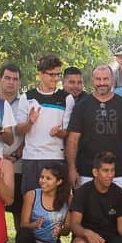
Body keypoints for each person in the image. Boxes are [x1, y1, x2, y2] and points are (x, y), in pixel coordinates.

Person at [67, 65, 122, 191]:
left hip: (119, 172)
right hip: (87, 172)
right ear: (92, 80)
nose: (102, 83)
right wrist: (71, 168)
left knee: (121, 204)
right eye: (98, 79)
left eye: (106, 79)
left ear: (112, 80)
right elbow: (73, 140)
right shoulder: (81, 106)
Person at [17, 55, 73, 202]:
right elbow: (19, 130)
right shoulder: (27, 97)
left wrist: (59, 132)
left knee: (56, 202)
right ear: (40, 74)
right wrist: (30, 122)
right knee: (30, 201)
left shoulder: (67, 98)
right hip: (32, 158)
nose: (55, 79)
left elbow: (67, 132)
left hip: (55, 157)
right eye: (51, 75)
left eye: (58, 75)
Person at [16, 164, 70, 243]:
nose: (42, 181)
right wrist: (34, 225)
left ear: (59, 182)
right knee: (23, 234)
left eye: (48, 178)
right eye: (42, 177)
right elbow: (23, 225)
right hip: (32, 242)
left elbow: (67, 230)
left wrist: (60, 230)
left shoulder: (68, 199)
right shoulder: (32, 195)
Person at [0, 63, 26, 239]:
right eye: (7, 78)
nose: (11, 82)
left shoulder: (25, 103)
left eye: (15, 79)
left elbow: (29, 133)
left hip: (17, 165)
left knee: (19, 213)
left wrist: (15, 155)